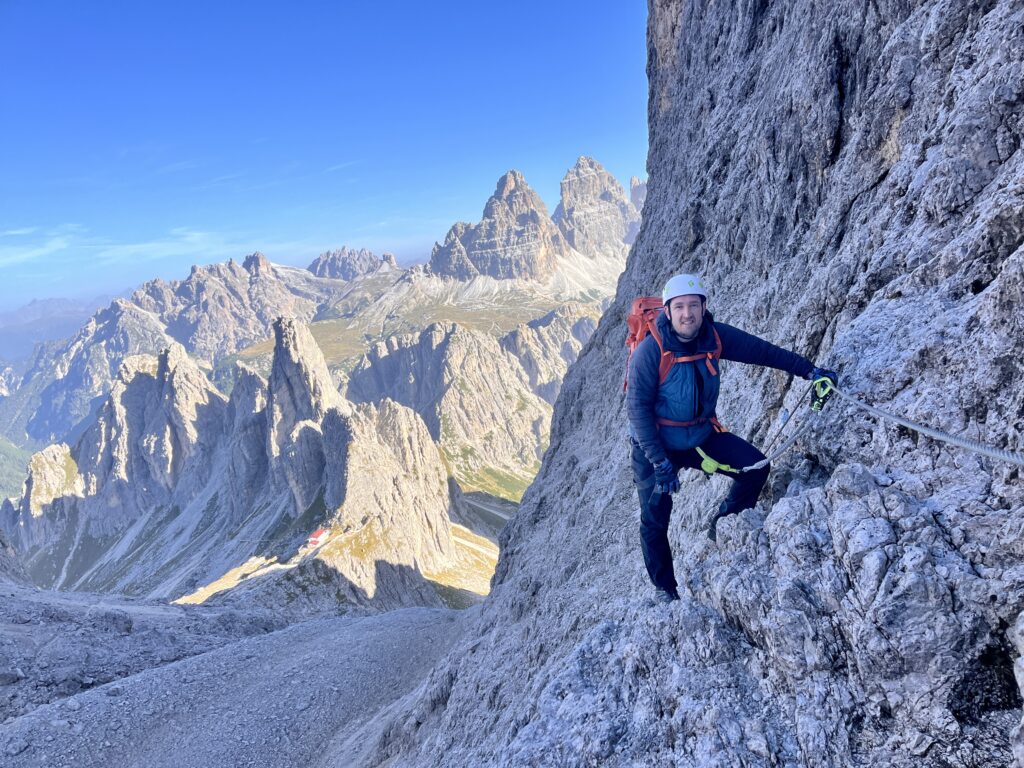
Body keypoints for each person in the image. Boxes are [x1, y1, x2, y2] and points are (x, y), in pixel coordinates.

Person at [626, 273, 836, 603]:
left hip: (699, 436)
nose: (687, 314)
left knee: (756, 467)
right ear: (667, 311)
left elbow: (763, 352)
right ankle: (666, 590)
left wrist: (810, 371)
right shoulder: (650, 352)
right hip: (655, 444)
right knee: (654, 519)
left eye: (693, 306)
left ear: (703, 307)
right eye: (679, 307)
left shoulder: (714, 337)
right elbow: (637, 410)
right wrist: (659, 462)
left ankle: (723, 526)